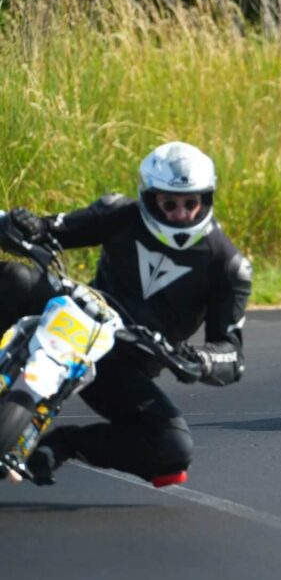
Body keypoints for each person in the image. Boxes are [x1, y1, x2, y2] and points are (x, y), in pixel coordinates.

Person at [0, 142, 251, 486]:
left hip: (122, 360)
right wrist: (27, 225)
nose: (181, 214)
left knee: (173, 446)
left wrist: (196, 359)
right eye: (170, 203)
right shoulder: (120, 213)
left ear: (206, 199)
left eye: (191, 203)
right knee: (15, 278)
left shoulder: (228, 264)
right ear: (148, 197)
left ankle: (65, 445)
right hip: (78, 307)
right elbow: (52, 229)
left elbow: (232, 356)